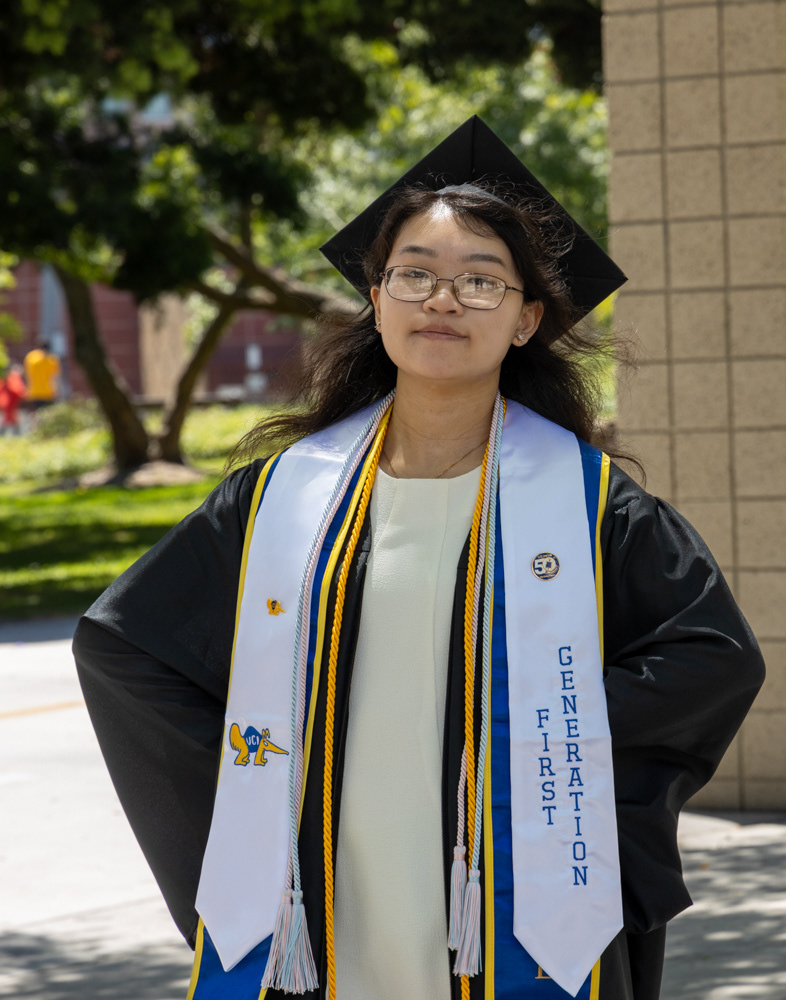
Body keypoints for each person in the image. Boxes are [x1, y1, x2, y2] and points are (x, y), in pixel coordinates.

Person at [72, 117, 764, 1000]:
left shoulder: (593, 509)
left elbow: (711, 658)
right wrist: (264, 770)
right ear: (377, 297)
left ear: (526, 319)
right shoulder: (283, 496)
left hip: (507, 875)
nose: (442, 300)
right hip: (329, 880)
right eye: (415, 274)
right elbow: (127, 646)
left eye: (480, 280)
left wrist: (538, 739)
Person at [23, 339, 60, 412]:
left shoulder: (31, 357)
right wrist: (57, 390)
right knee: (48, 413)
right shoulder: (52, 359)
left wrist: (27, 389)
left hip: (35, 391)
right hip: (49, 391)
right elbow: (56, 377)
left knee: (38, 412)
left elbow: (27, 375)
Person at [0, 363, 26, 434]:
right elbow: (18, 390)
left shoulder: (11, 378)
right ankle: (14, 434)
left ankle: (14, 434)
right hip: (8, 401)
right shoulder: (11, 378)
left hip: (11, 401)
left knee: (10, 418)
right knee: (8, 418)